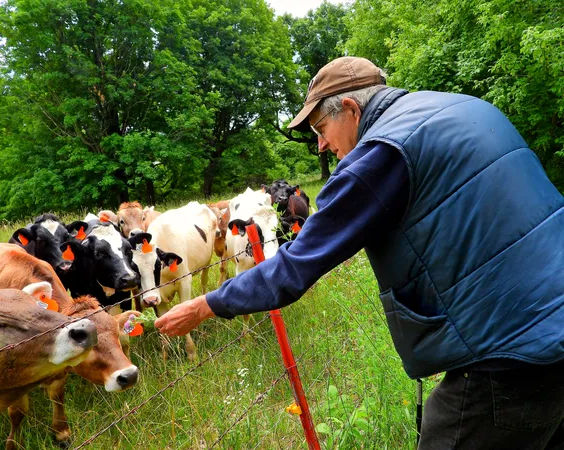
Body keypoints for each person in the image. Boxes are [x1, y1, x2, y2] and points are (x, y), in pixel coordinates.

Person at [155, 56, 564, 449]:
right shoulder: (466, 108)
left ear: (350, 108)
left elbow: (297, 264)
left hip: (512, 352)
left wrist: (205, 305)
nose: (320, 145)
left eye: (321, 127)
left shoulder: (381, 153)